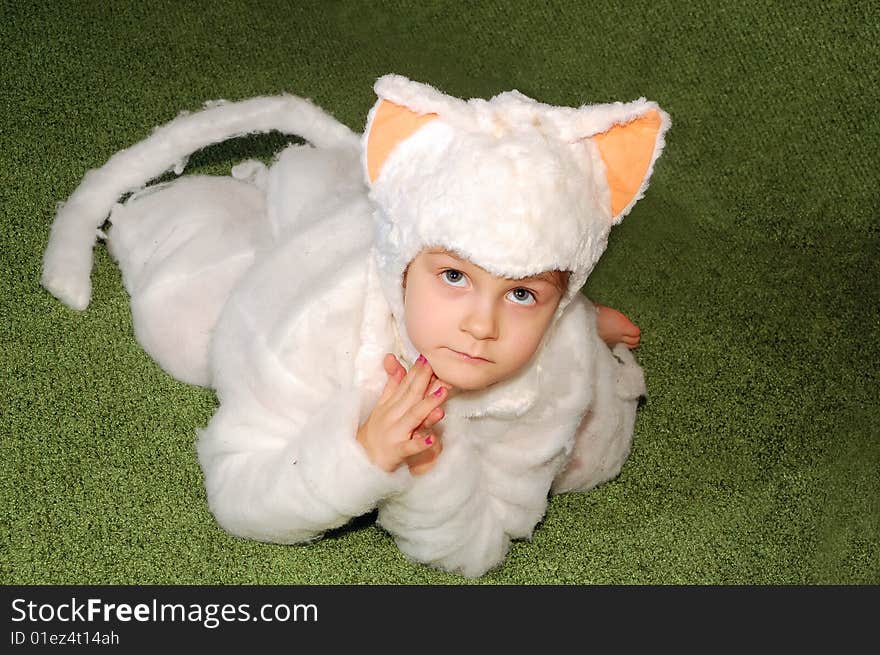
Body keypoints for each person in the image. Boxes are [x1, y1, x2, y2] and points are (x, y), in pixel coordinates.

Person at [41, 74, 669, 577]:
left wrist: (428, 468)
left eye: (523, 293)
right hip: (311, 276)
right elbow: (238, 495)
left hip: (540, 325)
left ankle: (566, 310)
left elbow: (482, 542)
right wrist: (358, 455)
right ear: (403, 269)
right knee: (184, 329)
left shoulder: (553, 373)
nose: (482, 327)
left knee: (589, 456)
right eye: (453, 277)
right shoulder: (311, 332)